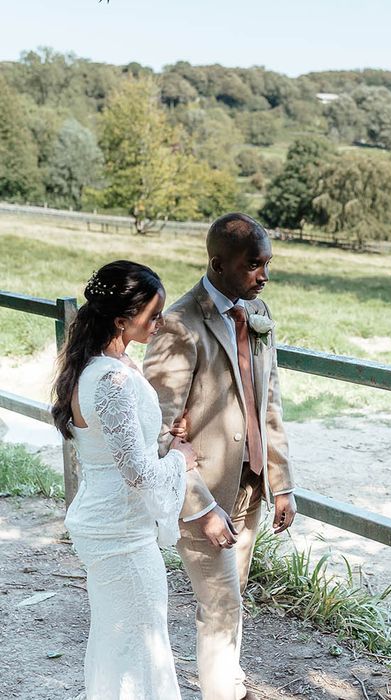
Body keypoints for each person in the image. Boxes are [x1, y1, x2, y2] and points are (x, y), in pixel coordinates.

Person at [143, 212, 297, 700]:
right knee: (221, 602)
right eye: (254, 264)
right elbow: (158, 434)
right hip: (204, 490)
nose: (264, 275)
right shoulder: (179, 325)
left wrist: (281, 482)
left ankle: (227, 680)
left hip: (249, 485)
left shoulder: (256, 313)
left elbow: (268, 401)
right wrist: (200, 507)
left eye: (267, 263)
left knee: (231, 597)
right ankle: (222, 692)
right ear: (218, 264)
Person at [53, 261, 198, 700]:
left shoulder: (97, 366)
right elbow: (136, 474)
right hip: (120, 534)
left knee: (119, 641)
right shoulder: (113, 378)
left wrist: (165, 443)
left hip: (109, 523)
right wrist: (180, 459)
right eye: (152, 315)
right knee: (140, 646)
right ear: (121, 320)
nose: (160, 323)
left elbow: (119, 449)